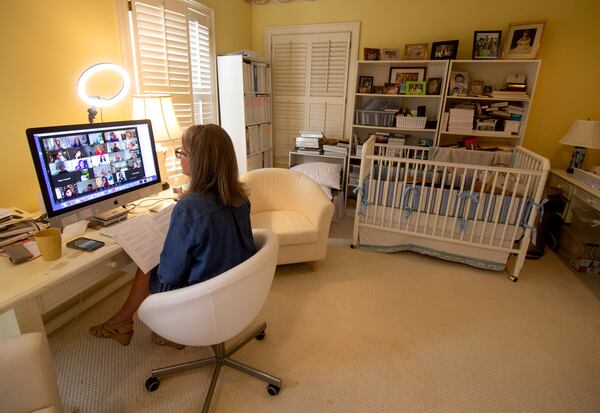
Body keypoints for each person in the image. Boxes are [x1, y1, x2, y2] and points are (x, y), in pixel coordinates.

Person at [89, 124, 256, 348]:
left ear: (199, 162)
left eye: (182, 153)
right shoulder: (239, 197)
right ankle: (151, 328)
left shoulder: (190, 207)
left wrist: (164, 247)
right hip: (236, 288)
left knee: (148, 262)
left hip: (201, 296)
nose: (180, 158)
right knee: (168, 252)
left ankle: (124, 321)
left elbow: (169, 275)